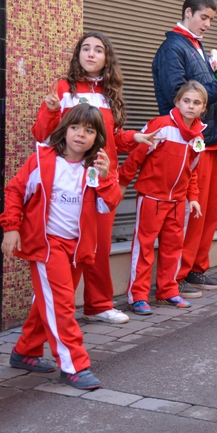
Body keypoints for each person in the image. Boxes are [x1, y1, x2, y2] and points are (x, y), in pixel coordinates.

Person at [32, 32, 158, 324]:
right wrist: (51, 111)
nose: (91, 54)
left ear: (106, 58)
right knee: (62, 242)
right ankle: (50, 305)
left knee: (98, 246)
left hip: (101, 181)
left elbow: (111, 139)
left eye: (98, 50)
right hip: (66, 181)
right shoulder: (63, 88)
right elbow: (42, 135)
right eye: (85, 49)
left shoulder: (110, 95)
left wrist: (135, 137)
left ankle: (98, 305)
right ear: (78, 55)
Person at [2, 104, 122, 390]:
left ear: (97, 137)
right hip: (47, 245)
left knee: (51, 302)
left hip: (79, 248)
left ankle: (25, 351)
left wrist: (106, 178)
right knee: (62, 305)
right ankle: (74, 365)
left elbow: (108, 205)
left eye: (90, 130)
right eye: (76, 127)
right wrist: (11, 228)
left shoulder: (97, 167)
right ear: (64, 130)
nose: (81, 134)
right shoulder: (42, 160)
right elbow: (15, 191)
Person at [152, 0, 217, 296]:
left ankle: (195, 269)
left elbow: (204, 94)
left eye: (211, 19)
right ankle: (177, 275)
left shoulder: (195, 46)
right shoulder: (173, 48)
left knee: (209, 210)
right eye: (204, 17)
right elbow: (180, 94)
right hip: (189, 141)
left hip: (212, 138)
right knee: (192, 211)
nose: (207, 24)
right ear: (188, 12)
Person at [119, 82, 207, 315]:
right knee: (144, 248)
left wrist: (193, 197)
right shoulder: (160, 126)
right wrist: (121, 184)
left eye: (196, 103)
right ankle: (137, 296)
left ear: (203, 108)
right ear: (177, 102)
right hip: (151, 197)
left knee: (173, 248)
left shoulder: (198, 136)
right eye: (186, 101)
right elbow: (136, 157)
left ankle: (168, 291)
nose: (191, 106)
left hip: (178, 202)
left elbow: (193, 171)